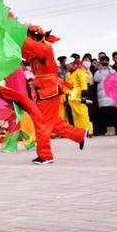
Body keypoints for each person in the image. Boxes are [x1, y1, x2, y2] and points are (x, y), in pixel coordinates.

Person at [21, 25, 87, 164]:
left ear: (33, 36)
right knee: (52, 121)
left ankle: (45, 155)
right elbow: (22, 50)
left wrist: (13, 29)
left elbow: (25, 43)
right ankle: (79, 135)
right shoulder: (35, 50)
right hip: (43, 90)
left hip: (48, 89)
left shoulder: (45, 47)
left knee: (42, 123)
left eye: (28, 35)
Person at [65, 57, 94, 134]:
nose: (67, 66)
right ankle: (79, 131)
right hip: (71, 94)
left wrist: (84, 94)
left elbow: (83, 83)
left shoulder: (79, 72)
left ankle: (88, 130)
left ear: (73, 64)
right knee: (75, 114)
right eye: (66, 65)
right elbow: (67, 85)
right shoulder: (68, 74)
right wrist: (66, 95)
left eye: (68, 65)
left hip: (78, 93)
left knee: (82, 112)